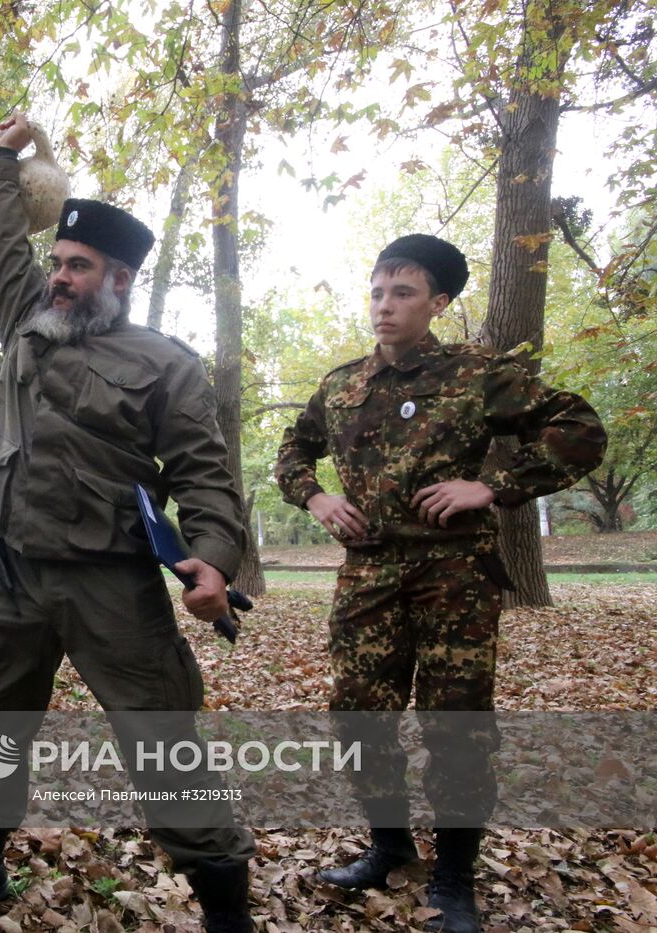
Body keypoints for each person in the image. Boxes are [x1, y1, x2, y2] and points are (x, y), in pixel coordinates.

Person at [0, 113, 255, 931]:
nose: (58, 276)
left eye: (78, 266)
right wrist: (2, 159)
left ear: (120, 277)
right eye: (56, 262)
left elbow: (206, 475)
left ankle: (225, 904)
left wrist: (212, 556)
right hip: (9, 573)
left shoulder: (165, 364)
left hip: (111, 580)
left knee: (162, 738)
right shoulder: (28, 322)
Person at [274, 233, 606, 933]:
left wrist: (492, 485)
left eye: (403, 292)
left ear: (439, 302)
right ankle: (388, 845)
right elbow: (293, 449)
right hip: (368, 575)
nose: (384, 306)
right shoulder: (341, 385)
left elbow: (578, 427)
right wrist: (315, 497)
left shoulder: (478, 373)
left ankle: (454, 878)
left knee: (456, 727)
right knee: (360, 716)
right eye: (376, 290)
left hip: (454, 574)